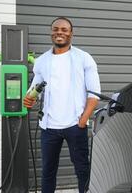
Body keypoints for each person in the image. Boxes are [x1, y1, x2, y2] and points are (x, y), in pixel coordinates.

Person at [23, 17, 101, 193]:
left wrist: (83, 120)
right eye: (56, 29)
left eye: (64, 30)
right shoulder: (42, 61)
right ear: (51, 32)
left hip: (75, 125)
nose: (60, 32)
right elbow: (33, 91)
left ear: (71, 34)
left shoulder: (84, 58)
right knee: (48, 172)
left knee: (82, 170)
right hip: (49, 127)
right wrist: (28, 98)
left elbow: (94, 93)